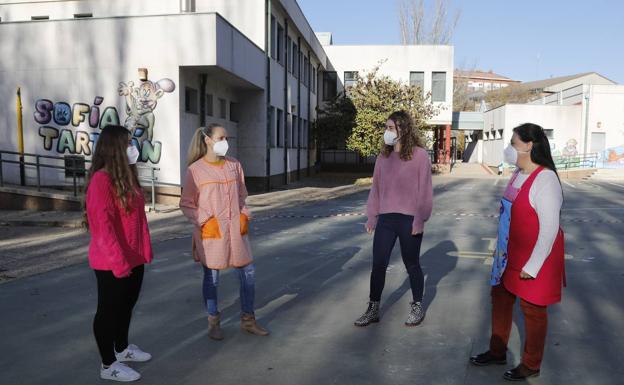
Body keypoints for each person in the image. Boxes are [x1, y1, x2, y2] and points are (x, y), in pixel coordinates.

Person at [470, 123, 565, 381]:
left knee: (532, 311)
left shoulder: (545, 179)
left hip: (535, 256)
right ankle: (497, 351)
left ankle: (531, 363)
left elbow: (549, 229)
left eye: (513, 144)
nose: (509, 149)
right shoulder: (517, 174)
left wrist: (532, 266)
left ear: (529, 145)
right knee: (500, 298)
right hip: (507, 253)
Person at [180, 123, 269, 340]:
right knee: (212, 278)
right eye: (221, 138)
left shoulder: (234, 165)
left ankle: (248, 320)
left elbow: (241, 196)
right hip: (212, 232)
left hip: (236, 231)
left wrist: (244, 215)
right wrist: (204, 221)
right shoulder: (195, 170)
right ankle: (213, 321)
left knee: (248, 273)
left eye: (226, 138)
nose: (225, 142)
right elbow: (186, 203)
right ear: (207, 140)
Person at [85, 125, 153, 382]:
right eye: (127, 143)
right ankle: (108, 364)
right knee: (108, 311)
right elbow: (102, 228)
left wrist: (143, 251)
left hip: (133, 257)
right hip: (111, 262)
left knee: (127, 306)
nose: (132, 148)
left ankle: (122, 348)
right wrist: (118, 262)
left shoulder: (127, 177)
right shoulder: (101, 181)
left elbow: (139, 221)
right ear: (115, 148)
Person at [354, 110, 433, 327]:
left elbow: (424, 191)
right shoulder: (383, 157)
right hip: (386, 219)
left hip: (409, 220)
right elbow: (376, 190)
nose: (386, 133)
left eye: (391, 128)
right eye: (386, 128)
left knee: (412, 264)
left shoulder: (419, 155)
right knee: (378, 264)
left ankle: (417, 306)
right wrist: (372, 216)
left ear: (403, 129)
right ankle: (373, 308)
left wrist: (420, 219)